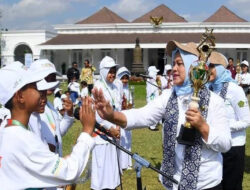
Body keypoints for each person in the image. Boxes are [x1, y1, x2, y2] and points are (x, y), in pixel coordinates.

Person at [92, 41, 232, 190]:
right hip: (173, 182)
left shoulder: (214, 101)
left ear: (193, 66)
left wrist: (203, 127)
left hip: (206, 185)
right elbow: (142, 115)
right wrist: (112, 116)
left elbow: (225, 144)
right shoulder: (168, 97)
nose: (174, 69)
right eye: (174, 64)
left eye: (180, 64)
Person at [0, 61, 96, 189]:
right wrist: (87, 130)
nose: (40, 89)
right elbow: (68, 172)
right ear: (20, 96)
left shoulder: (8, 129)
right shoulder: (22, 139)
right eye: (34, 86)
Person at [208, 52, 250, 190]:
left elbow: (246, 120)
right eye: (207, 66)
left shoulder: (235, 90)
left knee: (232, 186)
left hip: (234, 147)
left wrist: (224, 126)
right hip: (215, 145)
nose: (208, 70)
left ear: (221, 68)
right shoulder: (209, 89)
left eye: (212, 66)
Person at [28, 59, 74, 157]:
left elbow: (57, 133)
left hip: (54, 162)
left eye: (53, 78)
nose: (51, 83)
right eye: (47, 78)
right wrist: (46, 148)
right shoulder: (29, 109)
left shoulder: (49, 106)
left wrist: (68, 115)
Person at [91, 56, 121, 190]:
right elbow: (96, 115)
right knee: (102, 170)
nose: (112, 74)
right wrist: (110, 128)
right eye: (110, 71)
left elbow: (117, 108)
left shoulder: (115, 87)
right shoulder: (98, 88)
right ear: (103, 71)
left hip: (115, 133)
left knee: (112, 170)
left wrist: (118, 126)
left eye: (114, 71)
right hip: (102, 134)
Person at [116, 66, 133, 170]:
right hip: (120, 117)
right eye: (123, 78)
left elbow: (131, 104)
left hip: (128, 117)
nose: (125, 81)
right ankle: (121, 163)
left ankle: (127, 163)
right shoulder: (117, 90)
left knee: (128, 139)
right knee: (121, 139)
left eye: (126, 78)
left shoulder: (129, 90)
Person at [146, 65, 160, 131]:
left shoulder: (152, 81)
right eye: (155, 73)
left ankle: (153, 124)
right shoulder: (150, 81)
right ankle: (152, 126)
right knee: (153, 112)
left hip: (154, 99)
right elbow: (151, 93)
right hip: (152, 99)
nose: (156, 74)